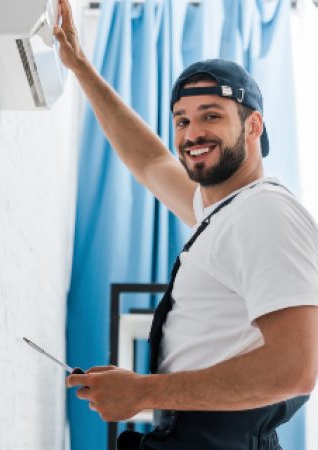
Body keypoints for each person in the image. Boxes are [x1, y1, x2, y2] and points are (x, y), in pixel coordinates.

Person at [54, 1, 318, 449]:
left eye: (211, 115)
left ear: (253, 126)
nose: (192, 133)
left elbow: (297, 367)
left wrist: (142, 390)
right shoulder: (223, 212)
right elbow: (151, 159)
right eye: (182, 120)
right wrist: (81, 69)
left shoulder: (263, 213)